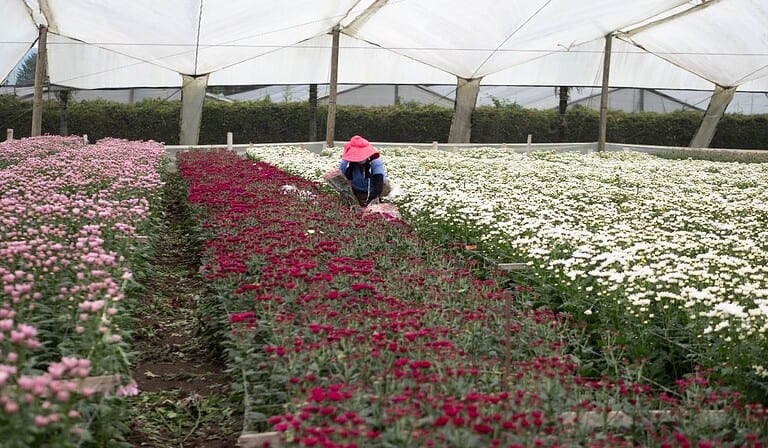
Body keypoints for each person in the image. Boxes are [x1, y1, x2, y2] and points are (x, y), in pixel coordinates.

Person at [340, 135, 392, 207]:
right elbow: (340, 179)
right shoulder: (347, 164)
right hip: (358, 190)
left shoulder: (375, 162)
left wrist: (371, 200)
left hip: (378, 189)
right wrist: (346, 158)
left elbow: (378, 185)